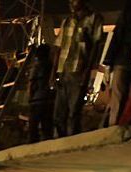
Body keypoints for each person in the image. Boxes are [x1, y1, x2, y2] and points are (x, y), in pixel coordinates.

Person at [52, 0, 104, 137]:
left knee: (73, 112)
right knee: (58, 113)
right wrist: (53, 73)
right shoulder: (67, 21)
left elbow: (95, 46)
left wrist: (88, 71)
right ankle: (59, 143)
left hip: (79, 71)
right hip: (63, 71)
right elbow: (58, 48)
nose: (71, 3)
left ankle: (70, 141)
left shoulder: (94, 19)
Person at [102, 0, 131, 126]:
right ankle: (129, 126)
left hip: (123, 59)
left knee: (118, 100)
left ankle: (115, 128)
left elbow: (117, 35)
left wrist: (108, 63)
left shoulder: (129, 10)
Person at [27, 44, 55, 143]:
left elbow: (31, 83)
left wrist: (29, 97)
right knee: (47, 126)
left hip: (37, 100)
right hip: (48, 99)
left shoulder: (37, 66)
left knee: (33, 127)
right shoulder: (51, 65)